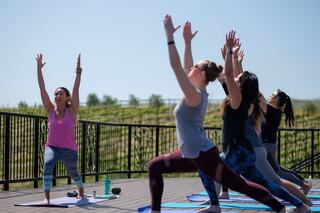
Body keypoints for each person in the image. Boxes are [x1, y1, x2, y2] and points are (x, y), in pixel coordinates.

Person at [147, 15, 286, 213]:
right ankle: (156, 210)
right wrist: (187, 43)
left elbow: (177, 66)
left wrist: (170, 37)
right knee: (155, 166)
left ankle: (279, 207)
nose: (192, 67)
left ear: (202, 75)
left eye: (196, 67)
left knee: (240, 185)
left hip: (203, 155)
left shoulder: (195, 95)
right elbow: (186, 67)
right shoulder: (196, 89)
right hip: (192, 153)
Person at [36, 53, 84, 204]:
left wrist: (78, 71)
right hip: (52, 147)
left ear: (67, 97)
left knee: (73, 172)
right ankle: (46, 197)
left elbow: (76, 89)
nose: (57, 96)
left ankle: (81, 189)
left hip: (69, 149)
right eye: (56, 94)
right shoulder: (50, 110)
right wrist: (39, 68)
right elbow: (42, 89)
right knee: (47, 165)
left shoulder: (72, 111)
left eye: (61, 93)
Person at [260, 90, 313, 195]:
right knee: (278, 169)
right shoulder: (275, 110)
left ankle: (304, 185)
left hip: (267, 146)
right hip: (270, 145)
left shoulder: (270, 109)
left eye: (272, 95)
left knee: (278, 172)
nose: (270, 95)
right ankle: (304, 182)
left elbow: (258, 96)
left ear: (277, 100)